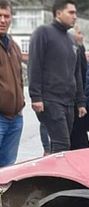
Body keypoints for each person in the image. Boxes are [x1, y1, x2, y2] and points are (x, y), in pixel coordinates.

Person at [28, 0, 87, 153]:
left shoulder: (71, 40)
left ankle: (52, 175)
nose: (75, 16)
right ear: (58, 13)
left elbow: (77, 72)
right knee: (62, 144)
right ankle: (52, 177)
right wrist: (36, 97)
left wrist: (81, 101)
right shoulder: (43, 32)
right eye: (71, 12)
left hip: (69, 102)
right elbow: (34, 64)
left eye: (76, 13)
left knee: (64, 146)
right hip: (50, 100)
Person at [0, 0, 25, 167]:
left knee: (8, 169)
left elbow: (19, 79)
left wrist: (20, 107)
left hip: (15, 118)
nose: (2, 20)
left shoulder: (14, 47)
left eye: (6, 16)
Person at [70, 24, 89, 150]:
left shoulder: (80, 49)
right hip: (72, 100)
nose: (82, 36)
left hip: (80, 99)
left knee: (81, 139)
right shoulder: (73, 49)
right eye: (79, 33)